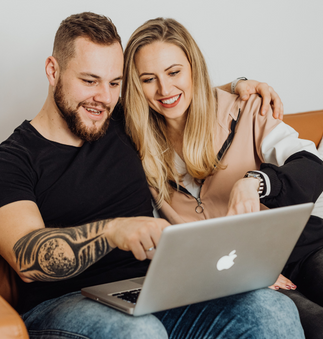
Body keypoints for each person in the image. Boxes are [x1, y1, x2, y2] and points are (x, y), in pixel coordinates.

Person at [0, 12, 304, 339]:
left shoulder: (122, 123)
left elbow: (173, 94)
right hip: (64, 304)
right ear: (53, 70)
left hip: (154, 291)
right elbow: (27, 259)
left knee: (271, 309)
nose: (104, 98)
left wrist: (239, 85)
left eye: (114, 83)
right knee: (140, 332)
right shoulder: (8, 161)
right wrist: (113, 231)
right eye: (89, 80)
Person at [121, 17, 323, 338]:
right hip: (236, 272)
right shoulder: (132, 144)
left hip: (304, 247)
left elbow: (311, 165)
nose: (164, 89)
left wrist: (255, 182)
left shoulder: (246, 108)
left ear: (193, 68)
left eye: (174, 72)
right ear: (135, 84)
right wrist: (247, 270)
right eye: (148, 79)